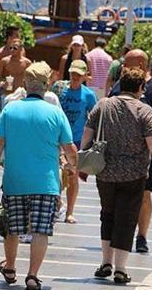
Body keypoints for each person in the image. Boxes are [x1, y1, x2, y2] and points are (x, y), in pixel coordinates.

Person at [0, 61, 77, 290]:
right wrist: (73, 166)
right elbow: (70, 148)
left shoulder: (10, 109)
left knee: (12, 228)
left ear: (25, 84)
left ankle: (11, 266)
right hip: (46, 183)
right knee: (40, 230)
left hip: (15, 181)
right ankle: (33, 275)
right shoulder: (55, 113)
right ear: (47, 85)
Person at [84, 67, 152, 284]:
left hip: (104, 172)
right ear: (141, 87)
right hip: (134, 175)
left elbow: (87, 134)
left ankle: (106, 262)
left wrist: (80, 163)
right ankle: (120, 269)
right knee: (126, 219)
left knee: (107, 214)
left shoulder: (103, 104)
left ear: (120, 84)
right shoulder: (145, 111)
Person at [108, 49, 152, 254]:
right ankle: (118, 237)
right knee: (119, 197)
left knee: (145, 194)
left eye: (128, 64)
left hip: (147, 154)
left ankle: (142, 236)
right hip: (120, 155)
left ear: (141, 65)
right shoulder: (119, 86)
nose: (123, 68)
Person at [57, 60, 97, 224]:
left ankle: (69, 212)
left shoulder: (88, 95)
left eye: (79, 75)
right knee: (56, 175)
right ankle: (56, 204)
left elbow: (95, 117)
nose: (75, 77)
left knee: (72, 176)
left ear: (85, 76)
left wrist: (92, 141)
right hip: (57, 139)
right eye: (73, 73)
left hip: (77, 141)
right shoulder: (59, 90)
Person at [0, 38, 31, 108]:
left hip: (21, 95)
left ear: (20, 49)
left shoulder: (27, 63)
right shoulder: (4, 61)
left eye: (15, 48)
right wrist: (2, 84)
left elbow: (30, 79)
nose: (12, 50)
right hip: (7, 94)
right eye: (10, 48)